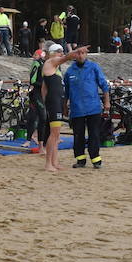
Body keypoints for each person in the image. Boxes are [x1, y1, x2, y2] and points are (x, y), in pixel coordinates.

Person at [65, 45, 110, 169]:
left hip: (93, 107)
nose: (80, 55)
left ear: (86, 54)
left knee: (94, 134)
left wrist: (107, 102)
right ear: (74, 54)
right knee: (78, 135)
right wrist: (65, 106)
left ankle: (96, 159)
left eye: (83, 53)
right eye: (78, 53)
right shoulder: (69, 71)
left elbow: (104, 85)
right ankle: (80, 159)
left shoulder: (94, 67)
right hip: (76, 109)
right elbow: (66, 92)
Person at [39, 43, 75, 171]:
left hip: (55, 102)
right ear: (53, 53)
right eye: (59, 51)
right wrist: (76, 51)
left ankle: (55, 162)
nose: (61, 53)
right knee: (54, 134)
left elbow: (44, 88)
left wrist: (44, 103)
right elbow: (66, 58)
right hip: (53, 102)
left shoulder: (55, 68)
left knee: (56, 135)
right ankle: (48, 163)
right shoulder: (50, 62)